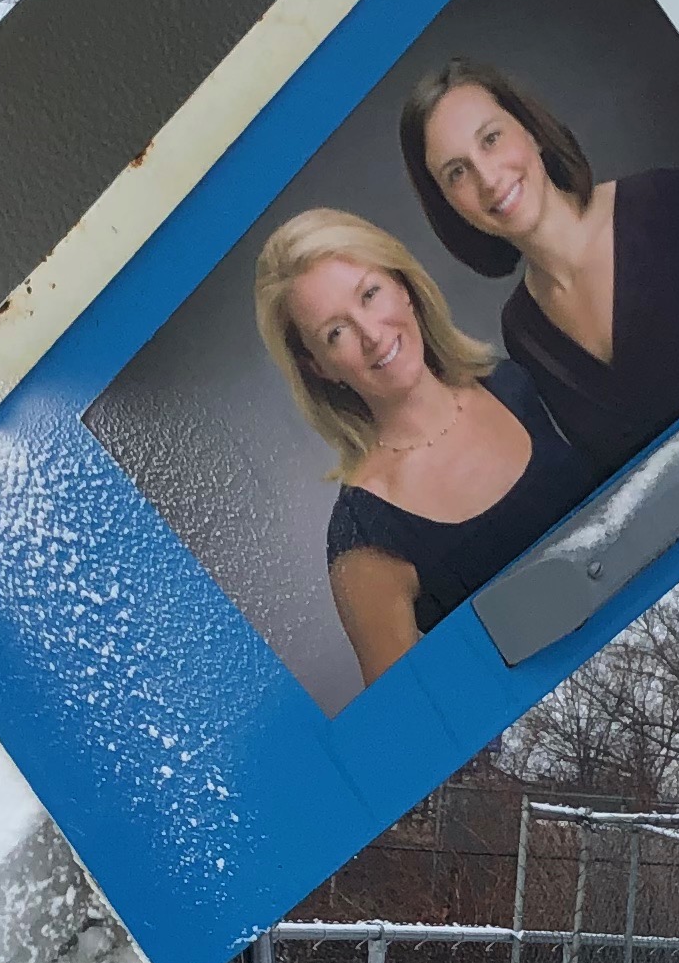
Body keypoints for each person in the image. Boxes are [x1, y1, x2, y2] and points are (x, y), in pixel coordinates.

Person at [398, 59, 679, 474]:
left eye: (491, 139)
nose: (488, 178)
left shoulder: (667, 203)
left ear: (530, 131)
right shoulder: (524, 332)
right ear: (447, 204)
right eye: (457, 172)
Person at [253, 207, 601, 687]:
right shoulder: (365, 534)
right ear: (319, 367)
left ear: (403, 287)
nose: (372, 335)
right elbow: (421, 718)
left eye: (370, 294)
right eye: (336, 333)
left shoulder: (515, 381)